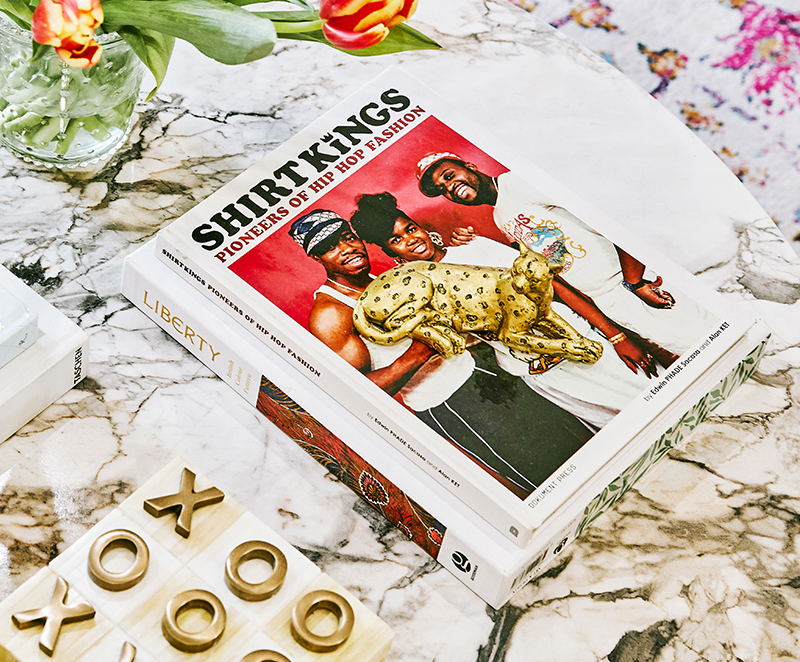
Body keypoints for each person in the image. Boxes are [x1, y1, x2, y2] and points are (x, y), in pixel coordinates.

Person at [288, 208, 594, 497]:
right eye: (330, 245)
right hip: (451, 401)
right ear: (316, 257)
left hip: (485, 368)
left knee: (572, 437)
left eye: (347, 236)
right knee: (544, 472)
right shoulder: (331, 313)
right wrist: (422, 350)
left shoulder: (380, 282)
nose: (347, 248)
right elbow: (356, 393)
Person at [349, 192, 652, 428]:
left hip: (584, 344)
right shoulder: (417, 292)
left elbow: (555, 287)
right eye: (396, 240)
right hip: (541, 376)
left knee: (653, 396)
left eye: (410, 228)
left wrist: (615, 337)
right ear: (392, 255)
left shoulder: (474, 248)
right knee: (620, 429)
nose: (411, 240)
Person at [416, 152, 708, 364]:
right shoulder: (501, 215)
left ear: (469, 166)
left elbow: (609, 214)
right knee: (693, 351)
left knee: (710, 335)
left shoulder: (518, 183)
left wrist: (635, 280)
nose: (449, 187)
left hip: (636, 277)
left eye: (449, 176)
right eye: (442, 189)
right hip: (613, 300)